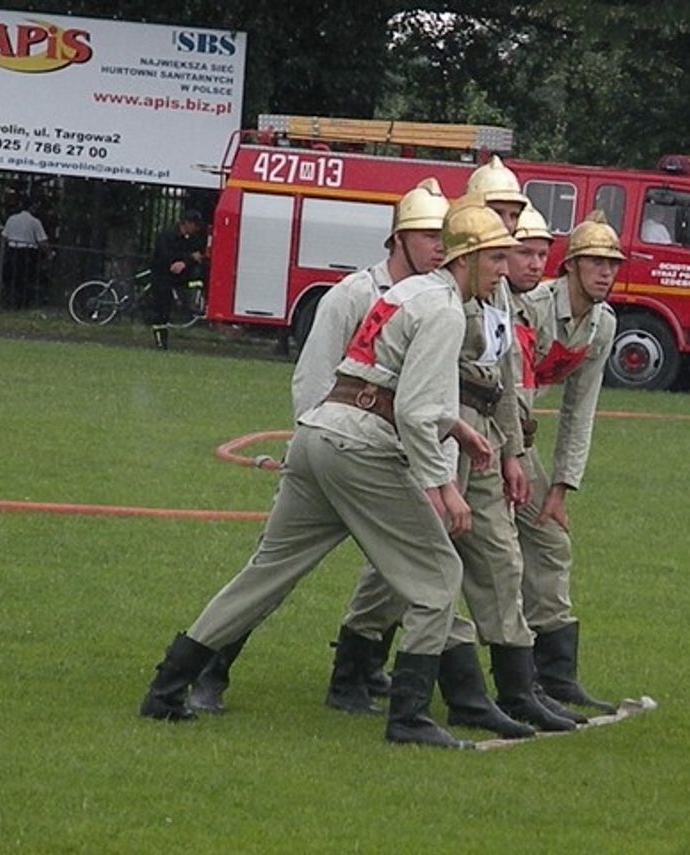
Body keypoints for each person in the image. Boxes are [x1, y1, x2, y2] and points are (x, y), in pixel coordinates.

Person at [138, 199, 519, 750]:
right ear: (468, 258)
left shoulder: (411, 293)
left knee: (265, 572)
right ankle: (409, 717)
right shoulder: (445, 310)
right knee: (438, 577)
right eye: (497, 258)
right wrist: (443, 488)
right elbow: (411, 409)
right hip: (359, 448)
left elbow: (384, 378)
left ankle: (167, 686)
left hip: (318, 436)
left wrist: (455, 428)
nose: (504, 270)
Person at [328, 158, 585, 734]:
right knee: (420, 561)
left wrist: (515, 449)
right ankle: (360, 664)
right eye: (499, 213)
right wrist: (441, 469)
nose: (509, 225)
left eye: (515, 214)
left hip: (484, 435)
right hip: (437, 430)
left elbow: (509, 370)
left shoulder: (494, 283)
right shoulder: (442, 284)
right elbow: (421, 381)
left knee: (499, 556)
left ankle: (516, 689)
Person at [184, 177, 457, 715]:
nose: (438, 246)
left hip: (387, 462)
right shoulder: (353, 295)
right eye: (426, 235)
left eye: (443, 236)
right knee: (275, 569)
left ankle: (357, 675)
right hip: (336, 451)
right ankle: (207, 672)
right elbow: (313, 381)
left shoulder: (436, 301)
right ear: (396, 240)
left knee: (397, 573)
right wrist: (310, 452)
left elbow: (433, 398)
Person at [508, 209, 621, 714]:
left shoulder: (602, 325)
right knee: (446, 547)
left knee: (550, 541)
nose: (605, 273)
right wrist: (513, 452)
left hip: (519, 440)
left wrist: (560, 488)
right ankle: (366, 653)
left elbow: (580, 410)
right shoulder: (531, 307)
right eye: (595, 262)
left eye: (612, 264)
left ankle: (555, 675)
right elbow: (508, 382)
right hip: (490, 432)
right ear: (570, 266)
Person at [148, 209, 205, 349]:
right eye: (195, 225)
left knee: (167, 309)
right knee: (161, 310)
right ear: (187, 223)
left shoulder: (190, 239)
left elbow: (197, 256)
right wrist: (186, 259)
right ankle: (160, 342)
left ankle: (163, 340)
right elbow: (164, 256)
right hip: (161, 277)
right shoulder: (167, 236)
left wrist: (185, 261)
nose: (197, 229)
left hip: (176, 278)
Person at [1, 199, 49, 309]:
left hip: (12, 250)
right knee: (25, 280)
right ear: (32, 207)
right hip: (27, 254)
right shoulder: (35, 222)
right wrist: (49, 254)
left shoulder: (11, 219)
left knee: (11, 279)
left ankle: (9, 302)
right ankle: (22, 304)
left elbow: (4, 236)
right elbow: (42, 242)